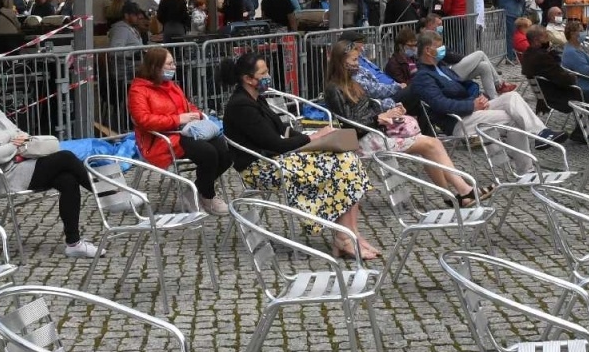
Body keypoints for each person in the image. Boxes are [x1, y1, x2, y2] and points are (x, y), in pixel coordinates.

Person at [223, 51, 379, 259]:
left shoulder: (256, 98)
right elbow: (275, 143)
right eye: (263, 73)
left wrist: (315, 136)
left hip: (275, 160)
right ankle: (344, 238)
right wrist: (312, 139)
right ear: (248, 79)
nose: (268, 76)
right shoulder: (241, 106)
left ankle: (351, 234)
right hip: (261, 169)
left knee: (347, 159)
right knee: (342, 166)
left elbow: (282, 129)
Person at [0, 66, 100, 257]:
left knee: (67, 179)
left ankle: (74, 244)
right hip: (1, 176)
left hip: (21, 164)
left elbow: (20, 134)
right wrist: (14, 148)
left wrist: (18, 145)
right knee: (65, 157)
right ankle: (109, 195)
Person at [322, 41, 478, 203]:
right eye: (353, 61)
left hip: (375, 131)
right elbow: (351, 123)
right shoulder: (334, 89)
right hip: (364, 139)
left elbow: (369, 108)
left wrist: (390, 110)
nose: (357, 65)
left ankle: (453, 194)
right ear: (341, 62)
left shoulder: (352, 83)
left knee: (431, 145)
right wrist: (379, 117)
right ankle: (463, 191)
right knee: (431, 145)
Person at [409, 32, 557, 165]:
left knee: (511, 97)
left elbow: (466, 86)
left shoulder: (441, 67)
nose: (443, 49)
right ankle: (526, 169)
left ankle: (540, 132)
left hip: (470, 111)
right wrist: (472, 105)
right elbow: (440, 104)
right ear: (428, 50)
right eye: (439, 46)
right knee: (511, 117)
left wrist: (478, 99)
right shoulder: (423, 77)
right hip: (458, 121)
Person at [127, 46, 230, 215]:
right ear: (155, 67)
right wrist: (177, 119)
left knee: (225, 151)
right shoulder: (139, 90)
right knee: (209, 153)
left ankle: (195, 191)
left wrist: (196, 114)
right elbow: (143, 120)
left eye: (173, 63)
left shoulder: (172, 86)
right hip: (162, 140)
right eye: (169, 64)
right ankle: (208, 197)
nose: (173, 67)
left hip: (185, 132)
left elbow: (187, 106)